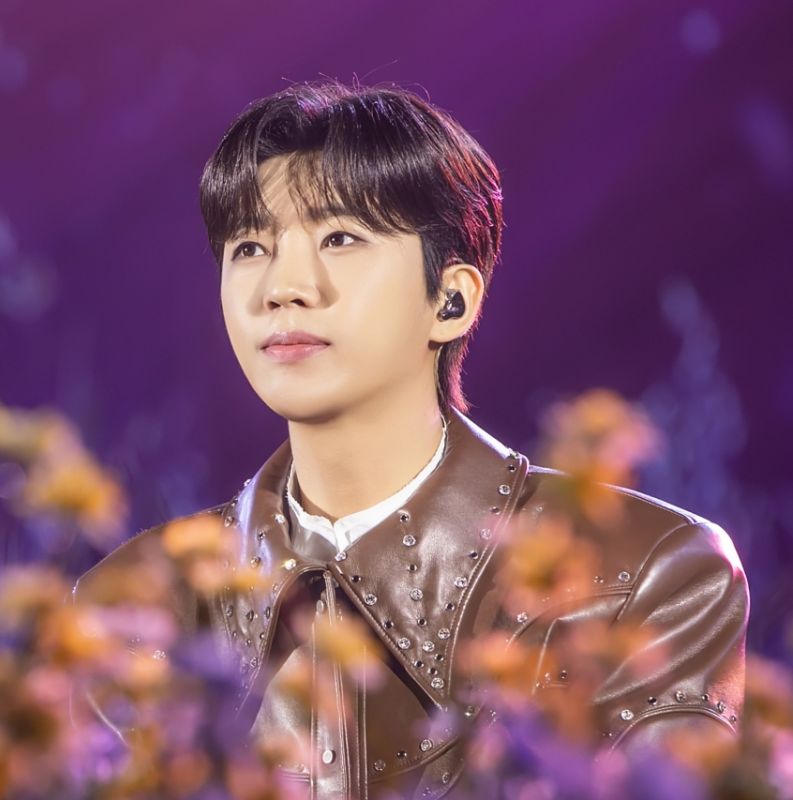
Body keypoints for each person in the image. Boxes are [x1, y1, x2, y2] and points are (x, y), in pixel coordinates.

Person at [73, 82, 748, 798]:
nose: (283, 287)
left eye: (340, 238)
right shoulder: (133, 605)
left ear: (451, 299)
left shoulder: (650, 574)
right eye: (250, 247)